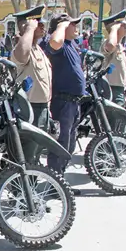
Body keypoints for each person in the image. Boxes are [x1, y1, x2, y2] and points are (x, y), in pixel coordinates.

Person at [42, 13, 85, 190]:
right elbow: (54, 42)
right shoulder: (57, 43)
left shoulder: (70, 44)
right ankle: (56, 186)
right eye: (72, 24)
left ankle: (60, 182)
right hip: (62, 102)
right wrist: (61, 25)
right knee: (60, 146)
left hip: (73, 103)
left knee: (69, 145)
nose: (76, 27)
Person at [10, 4, 52, 162]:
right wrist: (28, 29)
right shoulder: (21, 49)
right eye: (38, 24)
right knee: (28, 155)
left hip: (42, 108)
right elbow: (21, 55)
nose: (42, 27)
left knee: (36, 154)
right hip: (29, 110)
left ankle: (32, 178)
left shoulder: (37, 49)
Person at [101, 10, 126, 106]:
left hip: (119, 89)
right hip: (111, 89)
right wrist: (113, 29)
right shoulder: (108, 44)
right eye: (123, 25)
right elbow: (110, 45)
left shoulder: (120, 46)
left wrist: (123, 92)